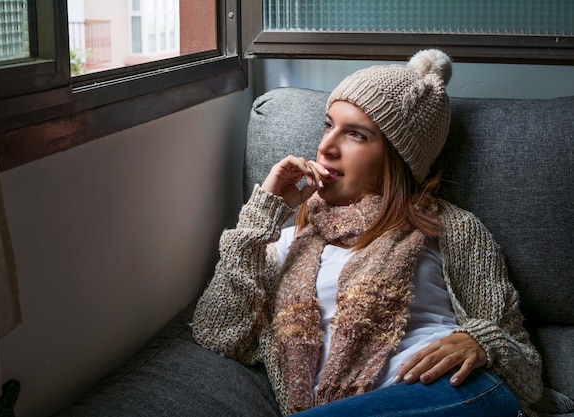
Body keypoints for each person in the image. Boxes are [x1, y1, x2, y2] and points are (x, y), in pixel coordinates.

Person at [192, 49, 543, 417]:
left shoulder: (451, 229)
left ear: (398, 156)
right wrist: (263, 210)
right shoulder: (288, 240)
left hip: (459, 394)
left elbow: (528, 373)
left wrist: (483, 343)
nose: (327, 146)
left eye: (356, 135)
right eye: (329, 125)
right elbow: (218, 332)